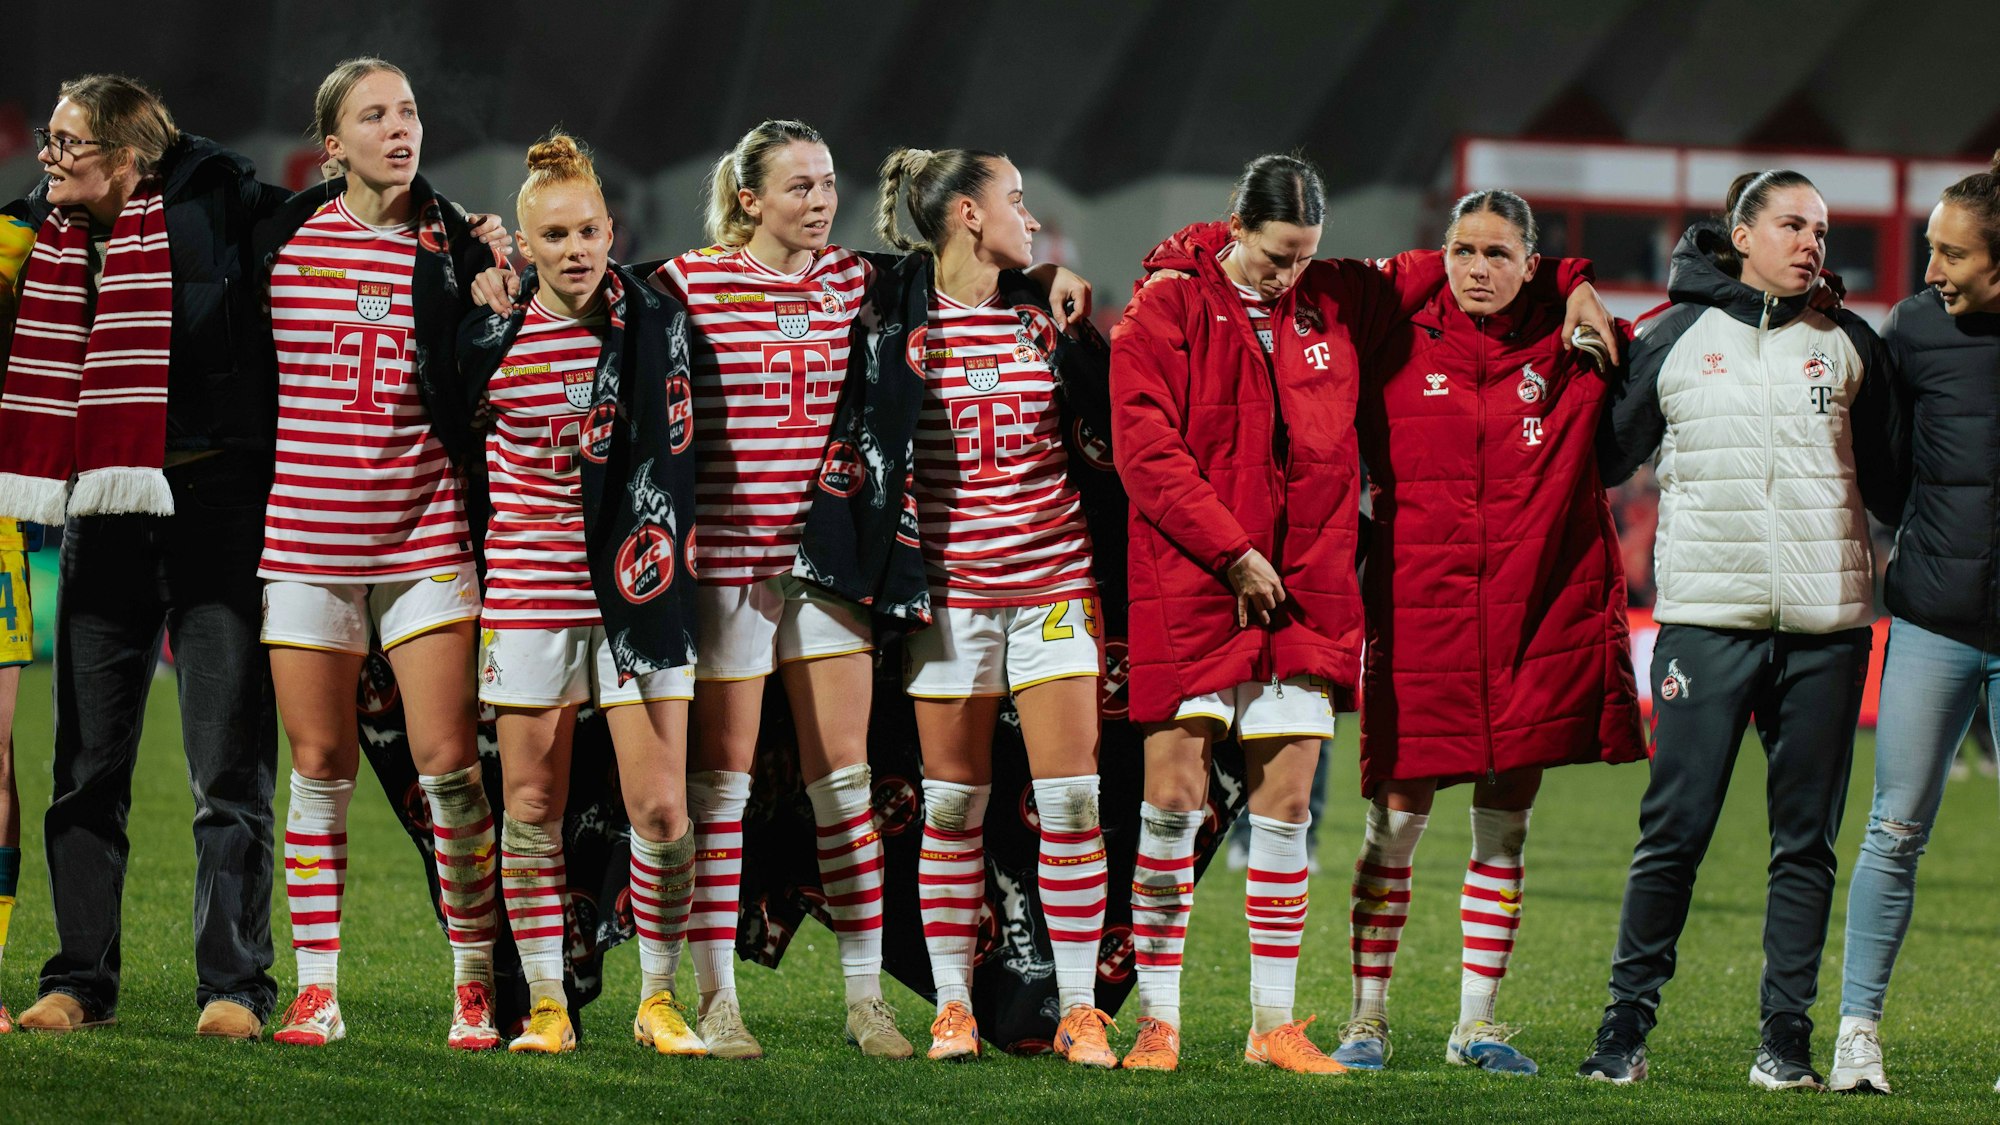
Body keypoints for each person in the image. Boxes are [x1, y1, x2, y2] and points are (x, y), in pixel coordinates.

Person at [1114, 157, 1609, 1075]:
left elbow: (1467, 265)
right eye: (1276, 255)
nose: (1289, 274)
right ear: (1234, 227)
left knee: (1286, 813)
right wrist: (1231, 552)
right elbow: (1145, 449)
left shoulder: (1340, 295)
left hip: (1308, 595)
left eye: (1306, 254)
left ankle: (1273, 1025)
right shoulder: (1165, 306)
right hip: (1195, 585)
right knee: (1174, 805)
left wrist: (1575, 281)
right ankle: (1158, 1021)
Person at [1582, 170, 1901, 1090]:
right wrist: (1592, 355)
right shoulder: (1673, 336)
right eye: (1793, 224)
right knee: (1674, 832)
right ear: (1743, 234)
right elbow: (1606, 456)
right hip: (1705, 624)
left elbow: (1895, 483)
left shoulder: (1849, 343)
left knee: (1805, 845)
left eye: (1822, 230)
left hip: (1828, 628)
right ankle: (1624, 1027)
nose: (1812, 243)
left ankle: (1785, 1039)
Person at [0, 74, 291, 1039]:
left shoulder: (225, 201)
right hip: (103, 513)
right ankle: (79, 978)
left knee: (227, 768)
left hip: (215, 508)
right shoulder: (39, 233)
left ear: (127, 157)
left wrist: (461, 237)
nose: (48, 157)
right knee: (84, 766)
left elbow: (342, 224)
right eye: (48, 139)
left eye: (68, 142)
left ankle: (234, 985)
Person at [1329, 190, 1643, 1077]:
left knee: (1503, 833)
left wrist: (1575, 285)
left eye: (1498, 254)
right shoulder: (1393, 328)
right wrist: (1566, 276)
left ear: (1532, 266)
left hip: (1524, 623)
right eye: (1461, 251)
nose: (1476, 268)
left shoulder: (1571, 339)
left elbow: (1673, 312)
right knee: (1392, 827)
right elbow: (1317, 280)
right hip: (1417, 614)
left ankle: (1477, 1023)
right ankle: (1367, 1017)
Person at [256, 57, 504, 1050]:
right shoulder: (279, 240)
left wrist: (498, 289)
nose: (399, 129)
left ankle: (475, 987)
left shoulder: (456, 246)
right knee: (318, 766)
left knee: (451, 769)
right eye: (374, 116)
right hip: (305, 540)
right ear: (333, 145)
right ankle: (316, 992)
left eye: (407, 112)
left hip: (423, 533)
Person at [860, 147, 1113, 1066]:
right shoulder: (892, 316)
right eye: (1016, 199)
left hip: (1053, 586)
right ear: (967, 214)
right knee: (954, 805)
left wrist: (1049, 281)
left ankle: (1080, 1009)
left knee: (1073, 800)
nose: (1032, 218)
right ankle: (954, 1007)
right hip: (951, 598)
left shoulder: (1047, 318)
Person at [454, 133, 703, 1056]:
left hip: (640, 592)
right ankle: (549, 1004)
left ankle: (658, 999)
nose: (575, 249)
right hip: (530, 594)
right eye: (554, 235)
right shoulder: (486, 336)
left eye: (589, 229)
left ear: (612, 230)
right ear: (524, 246)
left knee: (663, 811)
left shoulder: (658, 319)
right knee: (530, 806)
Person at [1829, 150, 2000, 1096]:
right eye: (1931, 248)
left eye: (1951, 254)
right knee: (1894, 828)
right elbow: (1887, 469)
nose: (1930, 269)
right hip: (1934, 618)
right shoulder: (1914, 328)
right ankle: (1857, 1032)